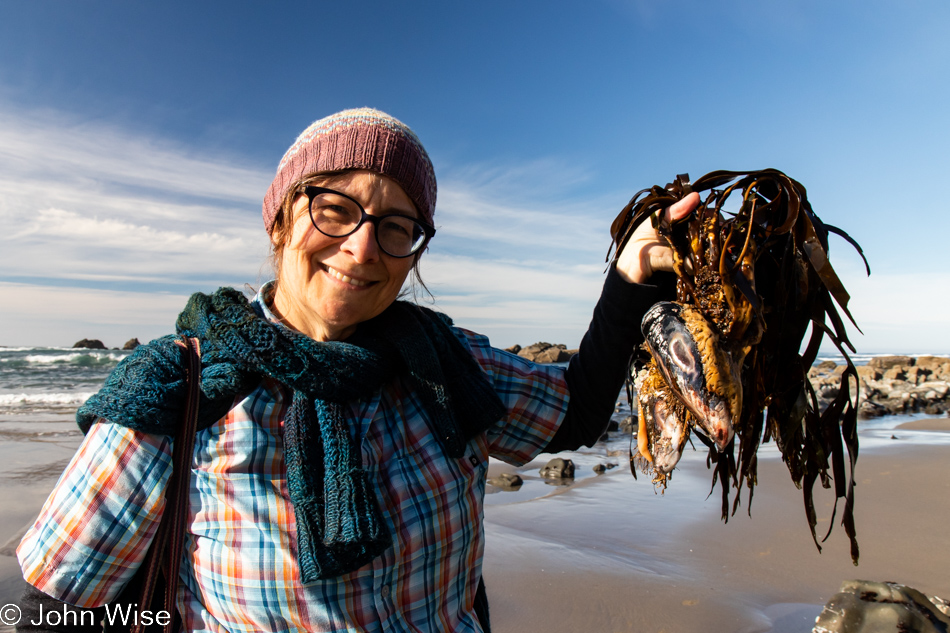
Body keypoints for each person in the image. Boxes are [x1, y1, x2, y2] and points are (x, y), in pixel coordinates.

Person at [16, 108, 699, 632]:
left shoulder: (443, 364)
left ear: (414, 252)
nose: (363, 245)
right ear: (282, 220)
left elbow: (574, 410)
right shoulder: (179, 388)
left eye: (396, 225)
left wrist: (629, 275)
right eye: (334, 208)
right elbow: (49, 604)